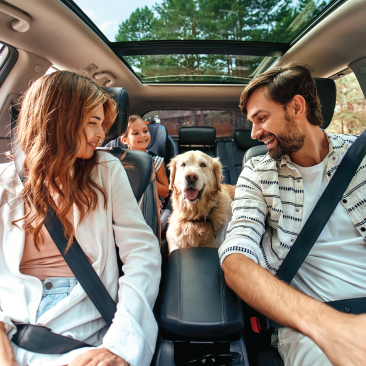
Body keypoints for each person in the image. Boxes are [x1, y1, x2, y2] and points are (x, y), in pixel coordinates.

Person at [0, 71, 161, 366]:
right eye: (92, 123)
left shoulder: (107, 170)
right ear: (58, 119)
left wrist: (121, 344)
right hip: (11, 325)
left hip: (83, 326)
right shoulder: (3, 182)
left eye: (103, 124)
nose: (102, 135)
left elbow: (142, 253)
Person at [219, 63, 366, 366]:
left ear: (297, 106)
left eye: (261, 118)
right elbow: (236, 259)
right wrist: (329, 326)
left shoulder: (361, 157)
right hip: (309, 328)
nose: (255, 132)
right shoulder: (257, 174)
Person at [117, 115, 170, 210]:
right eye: (136, 133)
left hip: (151, 206)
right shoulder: (120, 161)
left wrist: (145, 179)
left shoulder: (156, 161)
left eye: (145, 131)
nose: (143, 135)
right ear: (125, 140)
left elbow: (165, 192)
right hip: (125, 204)